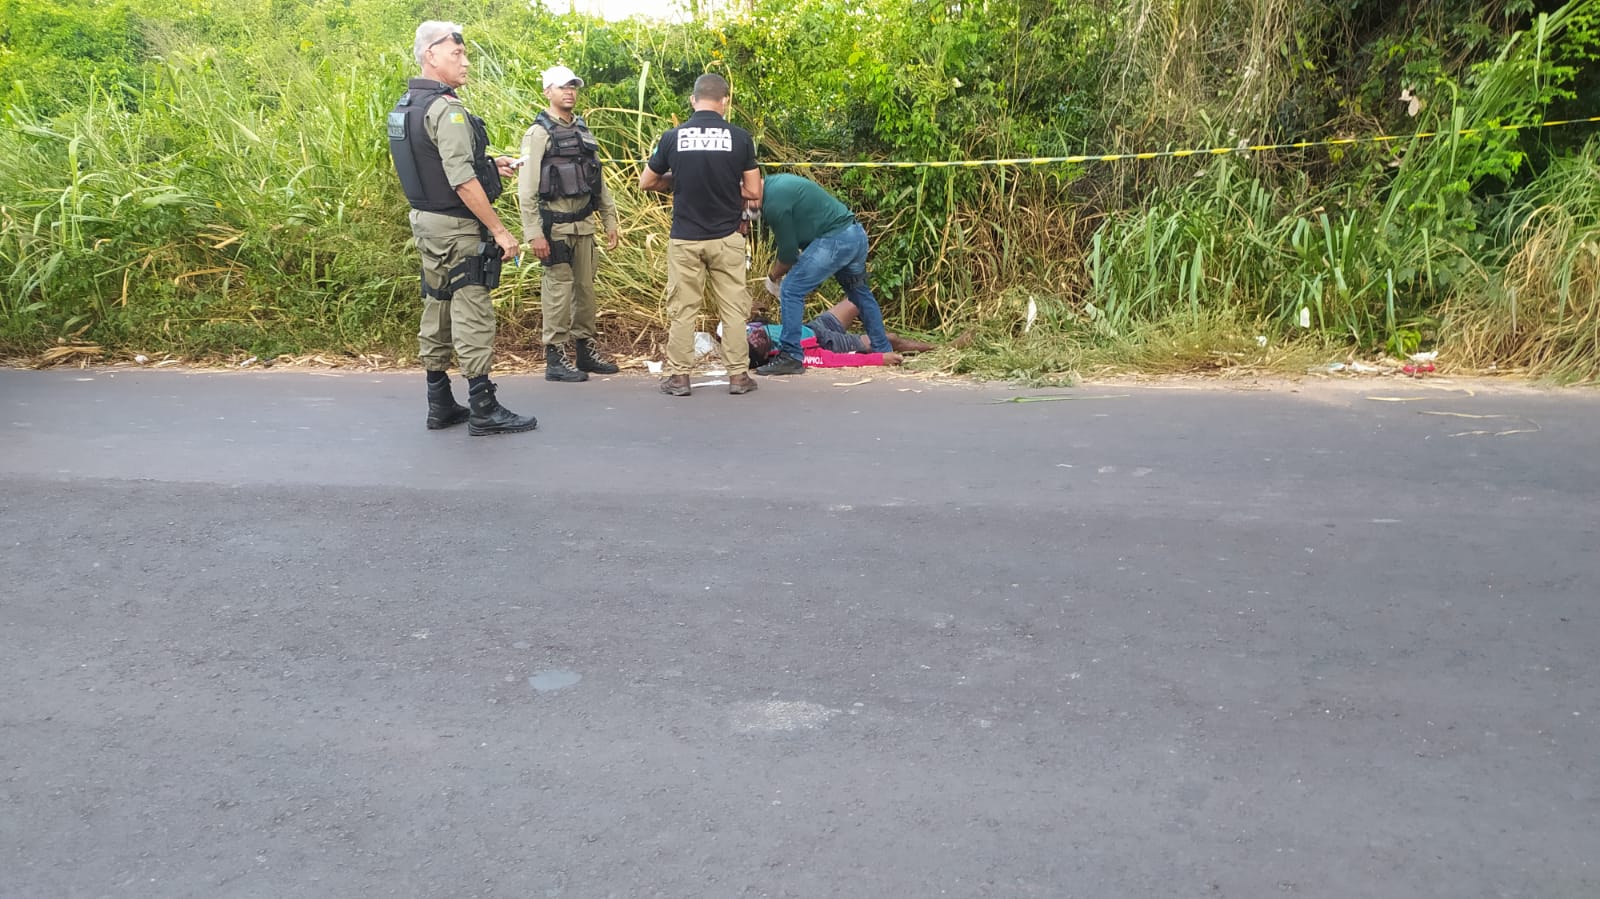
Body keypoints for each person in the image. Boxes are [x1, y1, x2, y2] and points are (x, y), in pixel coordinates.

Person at [387, 21, 536, 435]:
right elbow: (461, 181)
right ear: (431, 55)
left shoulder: (406, 106)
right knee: (472, 308)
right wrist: (501, 231)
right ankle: (483, 407)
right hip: (456, 227)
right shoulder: (447, 109)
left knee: (436, 303)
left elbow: (429, 164)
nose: (465, 62)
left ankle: (440, 403)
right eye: (457, 54)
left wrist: (492, 164)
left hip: (425, 221)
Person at [639, 73, 763, 397]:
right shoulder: (740, 138)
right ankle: (738, 377)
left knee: (683, 310)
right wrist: (728, 185)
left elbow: (646, 182)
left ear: (693, 100)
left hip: (685, 237)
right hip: (727, 237)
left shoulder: (671, 138)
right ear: (724, 101)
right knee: (734, 309)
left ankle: (679, 377)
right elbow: (753, 190)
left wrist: (676, 179)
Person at [518, 65, 621, 383]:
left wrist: (610, 220)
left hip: (585, 227)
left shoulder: (582, 130)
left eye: (574, 87)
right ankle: (555, 357)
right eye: (563, 87)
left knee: (586, 292)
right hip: (556, 229)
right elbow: (527, 188)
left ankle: (585, 351)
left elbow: (598, 180)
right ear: (547, 91)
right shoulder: (538, 134)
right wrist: (534, 233)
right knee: (558, 293)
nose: (570, 92)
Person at [752, 173, 896, 377]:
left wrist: (772, 277)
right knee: (859, 293)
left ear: (748, 186)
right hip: (855, 235)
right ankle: (883, 349)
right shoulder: (776, 185)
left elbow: (788, 254)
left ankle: (791, 356)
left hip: (836, 239)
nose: (745, 206)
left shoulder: (773, 204)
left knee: (791, 289)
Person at [746, 298, 935, 368]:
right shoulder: (792, 355)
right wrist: (879, 359)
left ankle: (869, 335)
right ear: (765, 354)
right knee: (890, 339)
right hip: (828, 343)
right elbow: (833, 360)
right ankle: (938, 348)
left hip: (814, 326)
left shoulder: (753, 331)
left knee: (857, 299)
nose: (755, 335)